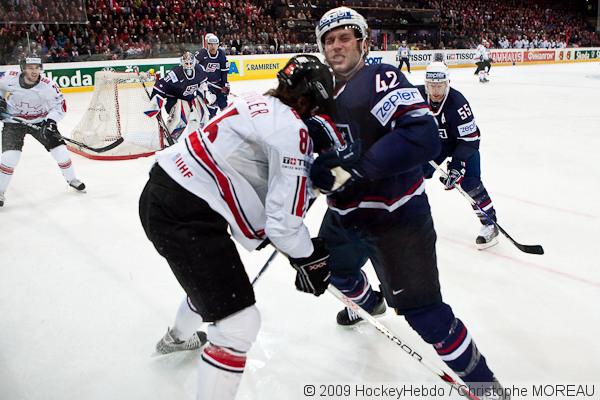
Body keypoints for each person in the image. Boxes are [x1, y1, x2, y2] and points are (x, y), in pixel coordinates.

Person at [311, 6, 506, 395]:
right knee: (333, 272)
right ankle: (371, 301)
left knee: (426, 316)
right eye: (329, 40)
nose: (337, 45)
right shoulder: (318, 93)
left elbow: (422, 135)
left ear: (363, 43)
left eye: (345, 37)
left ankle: (485, 386)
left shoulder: (381, 77)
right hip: (345, 218)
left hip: (399, 221)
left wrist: (359, 167)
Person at [139, 54, 335, 400]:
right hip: (185, 214)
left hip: (167, 193)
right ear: (311, 101)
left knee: (214, 285)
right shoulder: (292, 131)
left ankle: (176, 338)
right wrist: (310, 257)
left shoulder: (258, 100)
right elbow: (282, 226)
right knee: (239, 324)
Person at [418, 61, 500, 248]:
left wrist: (456, 166)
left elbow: (470, 140)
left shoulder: (458, 103)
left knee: (471, 183)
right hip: (436, 145)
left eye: (440, 85)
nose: (436, 91)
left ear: (448, 83)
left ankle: (490, 224)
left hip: (464, 145)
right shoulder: (416, 96)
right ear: (426, 84)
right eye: (432, 86)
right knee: (410, 173)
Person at [0, 54, 85, 207]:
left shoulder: (48, 86)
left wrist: (51, 122)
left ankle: (72, 180)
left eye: (37, 68)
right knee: (10, 158)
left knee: (61, 152)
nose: (34, 71)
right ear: (23, 69)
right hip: (13, 122)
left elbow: (60, 106)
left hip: (41, 122)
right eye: (30, 68)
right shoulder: (8, 77)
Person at [146, 51, 215, 141]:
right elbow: (161, 85)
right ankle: (171, 138)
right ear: (182, 63)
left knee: (204, 115)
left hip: (189, 99)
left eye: (191, 63)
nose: (189, 65)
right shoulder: (175, 73)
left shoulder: (200, 70)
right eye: (186, 63)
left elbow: (202, 83)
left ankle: (202, 135)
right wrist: (155, 100)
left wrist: (206, 93)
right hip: (174, 100)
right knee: (179, 118)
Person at [195, 33, 230, 119]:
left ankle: (226, 124)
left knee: (224, 105)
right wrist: (200, 80)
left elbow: (224, 71)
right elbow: (193, 67)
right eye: (211, 44)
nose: (213, 46)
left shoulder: (221, 54)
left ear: (218, 44)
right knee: (210, 105)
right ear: (207, 44)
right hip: (205, 85)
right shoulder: (201, 53)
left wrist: (224, 85)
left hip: (218, 84)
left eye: (215, 44)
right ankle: (210, 121)